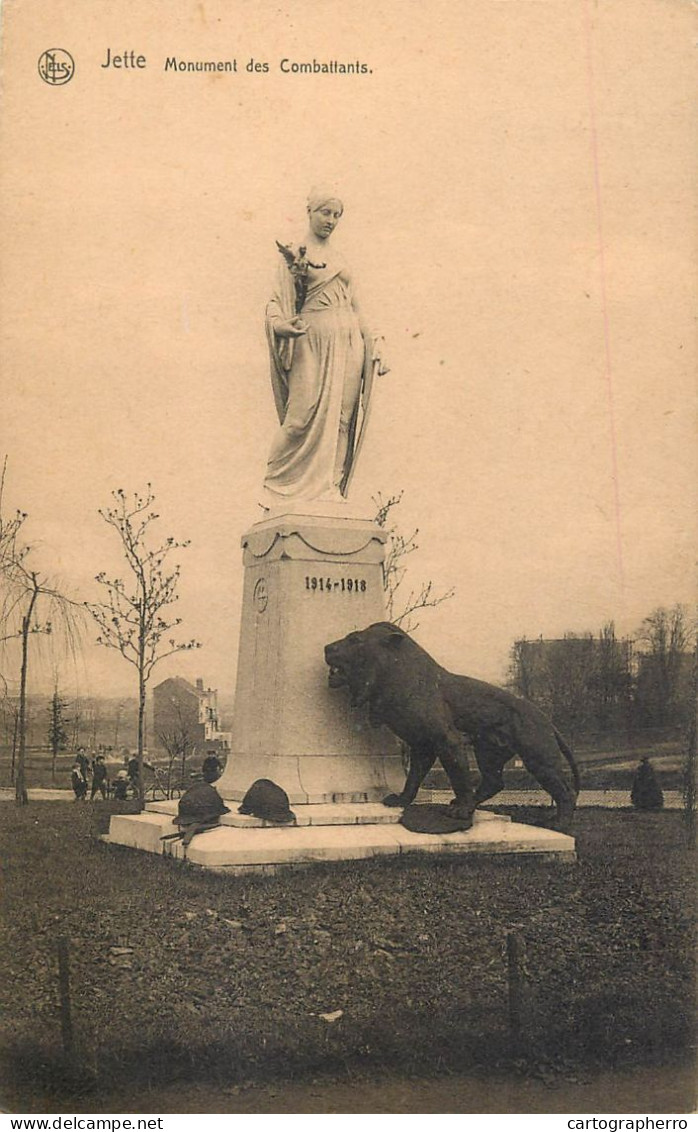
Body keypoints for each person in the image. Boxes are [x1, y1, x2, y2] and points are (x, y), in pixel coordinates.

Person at [262, 187, 389, 506]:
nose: (331, 220)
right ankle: (275, 487)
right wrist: (281, 325)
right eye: (325, 212)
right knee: (299, 417)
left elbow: (358, 306)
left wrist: (376, 341)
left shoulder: (341, 260)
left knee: (343, 418)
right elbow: (276, 302)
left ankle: (329, 488)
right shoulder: (295, 253)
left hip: (349, 342)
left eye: (337, 215)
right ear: (310, 211)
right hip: (311, 338)